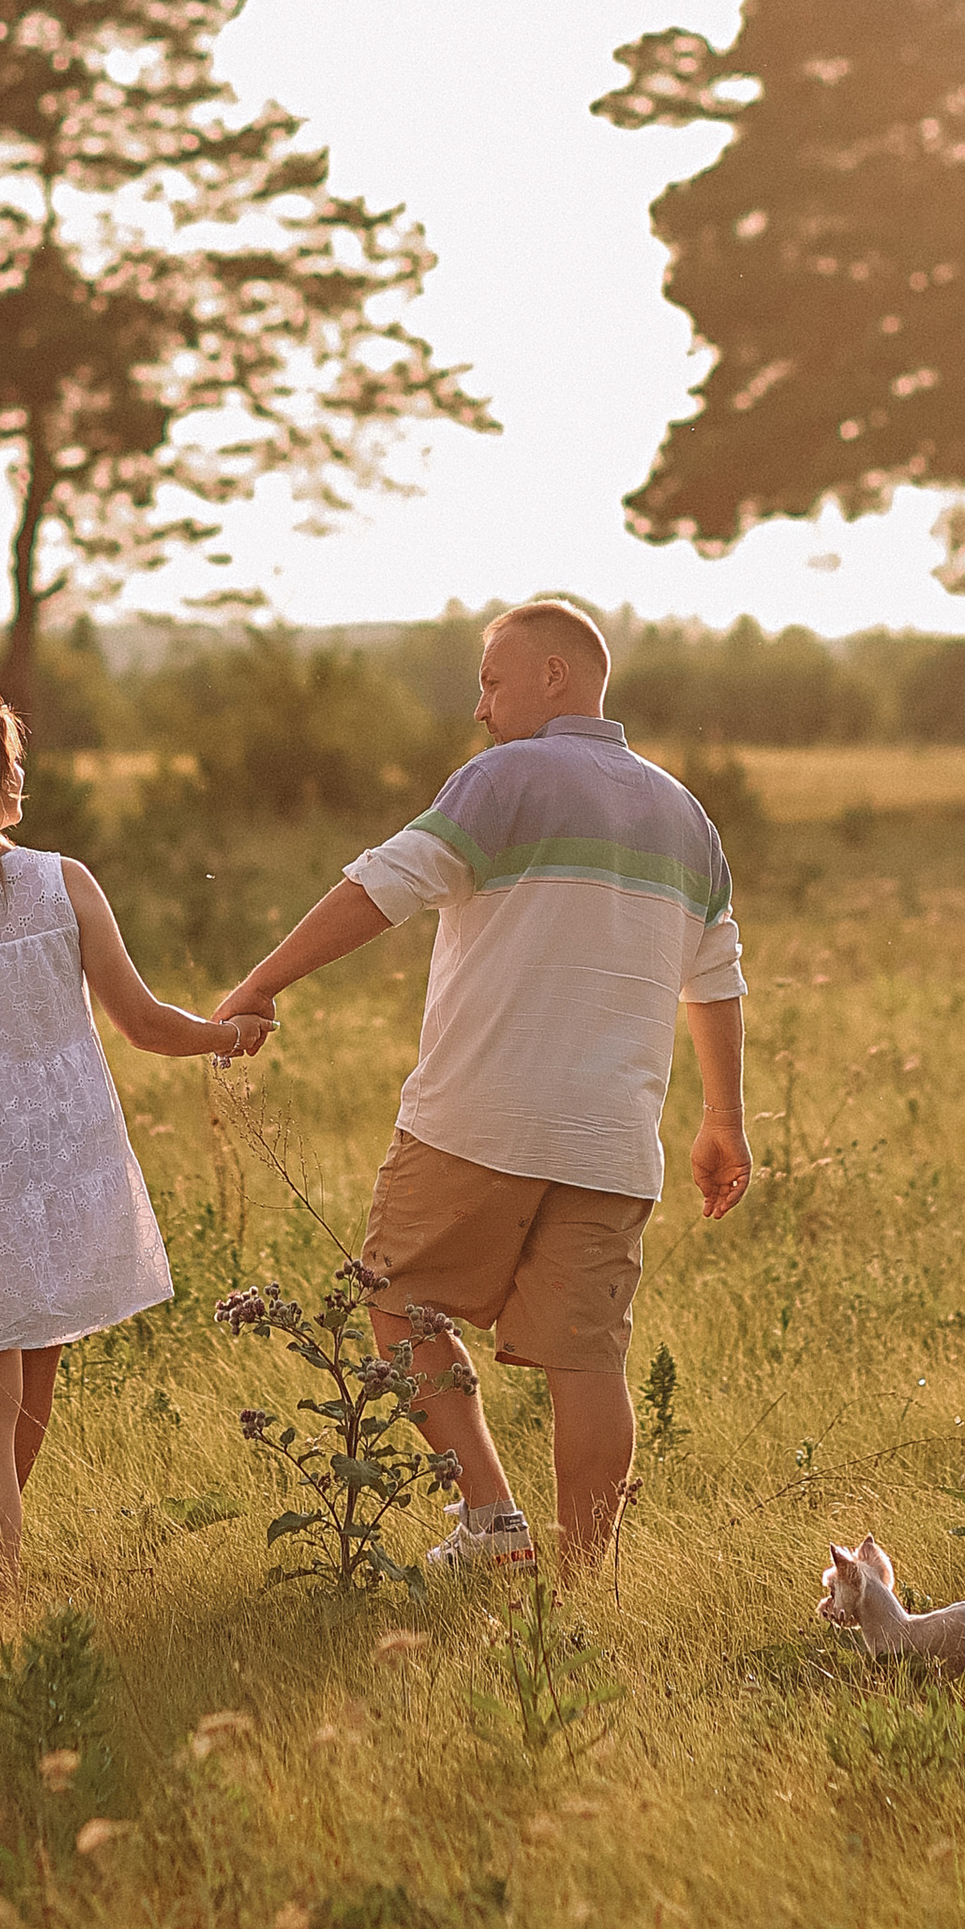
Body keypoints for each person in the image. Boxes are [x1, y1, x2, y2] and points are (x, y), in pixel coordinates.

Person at [213, 599, 750, 1572]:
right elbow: (716, 981)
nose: (478, 707)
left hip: (474, 1121)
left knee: (396, 1304)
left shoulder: (499, 780)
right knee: (590, 1363)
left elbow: (381, 885)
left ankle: (493, 1525)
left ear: (555, 677)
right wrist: (723, 1121)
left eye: (492, 681)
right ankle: (581, 1586)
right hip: (613, 1142)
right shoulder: (687, 816)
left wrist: (260, 983)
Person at [0, 677, 264, 1590]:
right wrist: (228, 1035)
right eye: (12, 762)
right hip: (60, 1159)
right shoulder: (61, 882)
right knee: (27, 1384)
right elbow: (146, 1024)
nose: (23, 776)